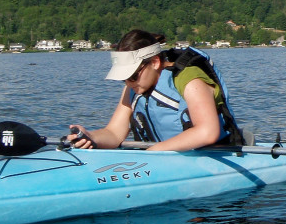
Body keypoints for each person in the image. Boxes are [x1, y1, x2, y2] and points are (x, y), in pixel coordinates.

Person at [68, 29, 240, 151]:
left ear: (155, 62)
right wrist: (90, 137)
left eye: (133, 76)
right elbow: (114, 133)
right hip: (162, 156)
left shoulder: (190, 80)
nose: (128, 82)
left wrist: (156, 151)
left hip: (214, 154)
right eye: (124, 78)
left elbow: (207, 132)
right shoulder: (134, 87)